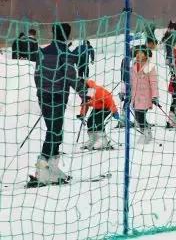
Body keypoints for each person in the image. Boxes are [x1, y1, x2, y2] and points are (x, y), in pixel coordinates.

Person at [30, 23, 84, 186]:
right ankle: (42, 167)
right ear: (67, 35)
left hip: (44, 97)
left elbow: (37, 75)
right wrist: (84, 92)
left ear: (54, 34)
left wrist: (41, 91)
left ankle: (52, 168)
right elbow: (70, 76)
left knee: (55, 131)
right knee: (54, 132)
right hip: (57, 97)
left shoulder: (43, 51)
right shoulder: (64, 53)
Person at [131, 47, 159, 145]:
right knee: (138, 116)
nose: (139, 55)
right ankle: (146, 131)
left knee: (141, 115)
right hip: (135, 96)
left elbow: (154, 82)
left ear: (146, 55)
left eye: (141, 53)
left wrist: (155, 96)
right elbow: (130, 81)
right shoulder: (133, 66)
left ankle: (146, 133)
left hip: (145, 96)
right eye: (137, 53)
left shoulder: (149, 66)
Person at [82, 80, 119, 150]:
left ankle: (103, 142)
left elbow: (109, 100)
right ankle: (93, 140)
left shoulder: (97, 90)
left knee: (98, 121)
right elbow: (85, 104)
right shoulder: (85, 92)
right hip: (97, 107)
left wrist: (114, 111)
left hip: (106, 107)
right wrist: (82, 114)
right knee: (90, 121)